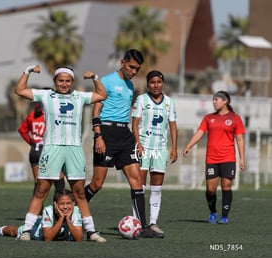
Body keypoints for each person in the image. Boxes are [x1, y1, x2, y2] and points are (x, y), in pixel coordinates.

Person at [14, 64, 107, 242]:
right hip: (52, 147)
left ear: (72, 82)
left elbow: (102, 95)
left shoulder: (80, 97)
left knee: (79, 192)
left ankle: (91, 232)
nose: (64, 84)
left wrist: (95, 77)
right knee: (42, 190)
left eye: (67, 81)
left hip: (74, 149)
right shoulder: (46, 95)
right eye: (60, 80)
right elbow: (19, 90)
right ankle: (26, 230)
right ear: (55, 81)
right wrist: (27, 71)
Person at [83, 49, 161, 238]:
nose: (134, 71)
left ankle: (143, 228)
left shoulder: (130, 85)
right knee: (97, 184)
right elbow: (96, 111)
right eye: (131, 67)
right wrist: (98, 136)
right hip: (106, 133)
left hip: (124, 135)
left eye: (137, 69)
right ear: (123, 62)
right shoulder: (107, 81)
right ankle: (75, 210)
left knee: (137, 182)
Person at [183, 91, 245, 224]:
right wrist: (189, 145)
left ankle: (224, 216)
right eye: (213, 100)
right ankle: (213, 212)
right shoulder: (208, 118)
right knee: (210, 189)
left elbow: (239, 139)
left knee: (226, 185)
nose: (214, 102)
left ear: (225, 101)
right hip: (212, 158)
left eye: (216, 100)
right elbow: (199, 133)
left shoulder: (235, 118)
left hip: (228, 158)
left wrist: (242, 158)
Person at [131, 70, 178, 237]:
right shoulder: (141, 100)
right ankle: (137, 223)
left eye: (159, 82)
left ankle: (152, 222)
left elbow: (172, 125)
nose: (156, 85)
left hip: (160, 149)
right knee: (139, 187)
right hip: (143, 147)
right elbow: (135, 124)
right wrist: (138, 144)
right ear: (148, 84)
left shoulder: (169, 102)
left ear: (163, 83)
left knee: (156, 188)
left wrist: (174, 148)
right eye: (152, 82)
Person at [0, 189, 83, 242]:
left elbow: (78, 239)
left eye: (68, 203)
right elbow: (48, 238)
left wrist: (68, 220)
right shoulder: (48, 210)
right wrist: (60, 219)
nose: (65, 207)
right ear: (55, 204)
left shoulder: (76, 210)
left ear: (73, 204)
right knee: (14, 231)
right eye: (61, 204)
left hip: (57, 231)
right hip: (37, 232)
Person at [18, 102, 65, 194]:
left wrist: (31, 142)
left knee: (38, 185)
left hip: (35, 150)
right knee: (59, 183)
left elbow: (22, 130)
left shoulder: (32, 115)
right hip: (48, 150)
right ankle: (57, 207)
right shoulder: (51, 115)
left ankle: (36, 208)